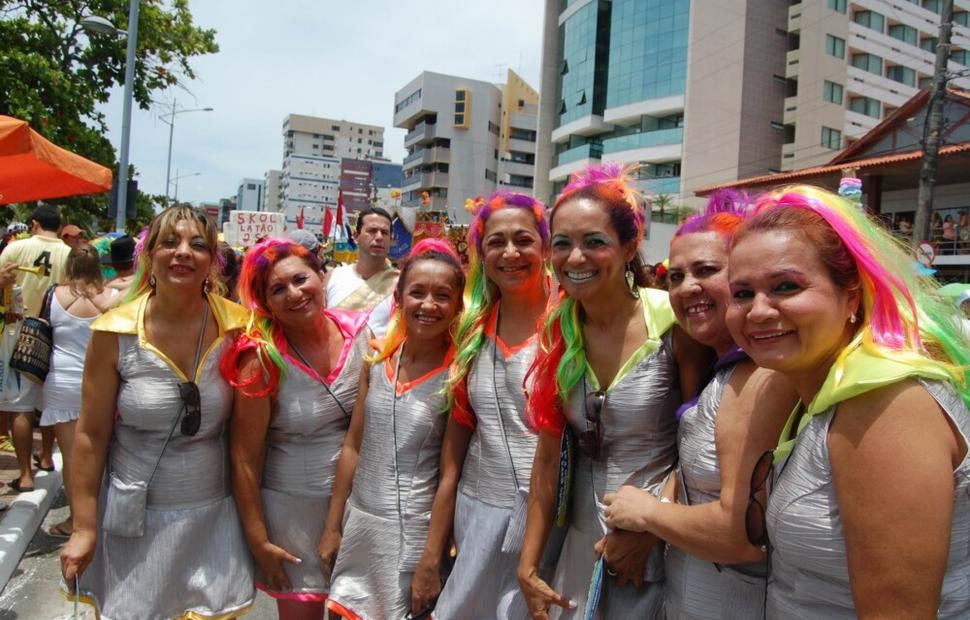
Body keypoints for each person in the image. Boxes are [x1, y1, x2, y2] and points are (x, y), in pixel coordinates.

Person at [726, 185, 970, 618]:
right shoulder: (816, 388)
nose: (759, 311)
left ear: (852, 295)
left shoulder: (881, 402)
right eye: (742, 293)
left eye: (785, 286)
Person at [518, 163, 708, 619]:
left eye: (594, 242)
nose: (576, 258)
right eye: (561, 244)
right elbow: (548, 457)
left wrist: (651, 525)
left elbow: (698, 446)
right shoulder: (557, 331)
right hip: (580, 540)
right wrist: (528, 564)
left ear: (629, 247)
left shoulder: (673, 322)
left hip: (660, 544)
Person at [601, 191, 797, 619]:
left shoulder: (762, 377)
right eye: (674, 276)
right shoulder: (721, 365)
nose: (687, 286)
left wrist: (648, 514)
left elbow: (741, 535)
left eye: (706, 270)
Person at [60, 206, 255, 619]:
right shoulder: (114, 332)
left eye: (197, 245)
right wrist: (83, 526)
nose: (183, 252)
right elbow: (91, 434)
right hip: (134, 523)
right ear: (149, 255)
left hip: (213, 520)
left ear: (212, 263)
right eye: (169, 242)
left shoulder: (240, 327)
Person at [420, 193, 554, 619]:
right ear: (481, 252)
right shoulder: (470, 328)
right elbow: (457, 441)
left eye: (523, 240)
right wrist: (437, 541)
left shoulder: (572, 319)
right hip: (477, 513)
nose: (510, 253)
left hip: (553, 520)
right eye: (496, 242)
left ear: (545, 247)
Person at [222, 237, 369, 619]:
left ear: (322, 276)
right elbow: (244, 458)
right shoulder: (262, 359)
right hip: (293, 519)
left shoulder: (362, 334)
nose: (294, 294)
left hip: (360, 511)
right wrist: (258, 541)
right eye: (277, 289)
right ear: (265, 304)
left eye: (301, 279)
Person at [320, 239, 465, 620]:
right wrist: (333, 526)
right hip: (359, 525)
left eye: (442, 295)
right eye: (417, 293)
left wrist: (431, 559)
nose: (428, 305)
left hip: (412, 537)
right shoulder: (377, 356)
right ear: (398, 297)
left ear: (458, 305)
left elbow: (450, 474)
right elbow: (353, 446)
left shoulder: (457, 377)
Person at [39, 245, 117, 538]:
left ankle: (76, 521)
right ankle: (101, 517)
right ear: (98, 265)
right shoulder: (110, 298)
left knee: (72, 458)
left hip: (61, 383)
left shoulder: (54, 295)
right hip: (101, 384)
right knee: (105, 454)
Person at [0, 204, 71, 492]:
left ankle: (26, 474)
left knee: (20, 406)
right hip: (55, 331)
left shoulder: (16, 249)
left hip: (19, 330)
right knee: (51, 402)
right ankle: (46, 457)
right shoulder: (69, 253)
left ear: (34, 224)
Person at [325, 207, 398, 337]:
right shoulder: (332, 277)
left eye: (385, 232)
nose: (379, 237)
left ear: (391, 239)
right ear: (356, 236)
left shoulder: (401, 283)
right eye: (372, 231)